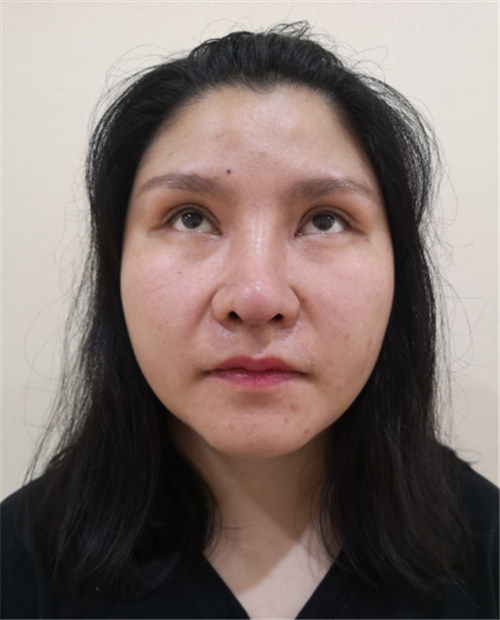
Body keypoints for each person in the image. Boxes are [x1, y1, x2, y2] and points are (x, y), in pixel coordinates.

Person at [1, 22, 498, 620]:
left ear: (399, 269)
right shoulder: (17, 568)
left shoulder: (486, 551)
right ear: (116, 264)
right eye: (189, 217)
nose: (257, 297)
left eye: (324, 220)